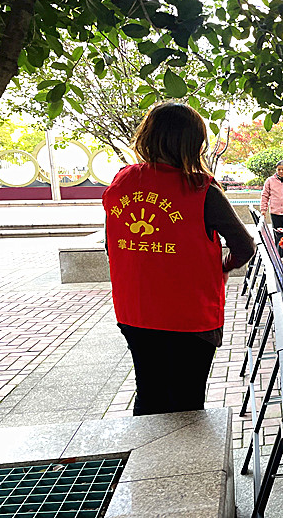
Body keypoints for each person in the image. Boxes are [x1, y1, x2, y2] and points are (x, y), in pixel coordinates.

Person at [103, 102, 255, 416]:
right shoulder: (201, 189)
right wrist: (223, 267)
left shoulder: (121, 183)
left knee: (149, 393)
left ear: (147, 137)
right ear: (194, 143)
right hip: (190, 316)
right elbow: (244, 246)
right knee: (187, 402)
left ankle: (146, 448)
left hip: (136, 312)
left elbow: (111, 245)